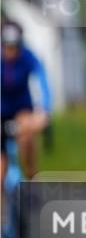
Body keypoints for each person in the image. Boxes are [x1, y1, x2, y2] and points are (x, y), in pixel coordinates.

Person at [1, 19, 52, 181]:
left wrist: (43, 110)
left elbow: (41, 80)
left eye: (15, 46)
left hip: (21, 109)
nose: (11, 51)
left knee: (27, 137)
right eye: (7, 46)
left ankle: (31, 179)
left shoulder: (27, 57)